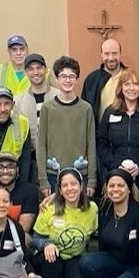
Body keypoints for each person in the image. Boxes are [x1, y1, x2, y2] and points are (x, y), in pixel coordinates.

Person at [31, 168, 98, 278]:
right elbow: (33, 239)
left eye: (73, 184)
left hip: (74, 257)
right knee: (50, 256)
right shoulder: (49, 208)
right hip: (50, 258)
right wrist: (46, 243)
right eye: (65, 185)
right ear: (60, 190)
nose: (70, 189)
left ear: (81, 186)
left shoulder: (92, 209)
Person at [96, 68, 139, 209]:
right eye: (127, 84)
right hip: (116, 177)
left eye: (135, 84)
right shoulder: (110, 112)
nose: (131, 88)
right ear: (121, 88)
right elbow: (101, 144)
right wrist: (115, 166)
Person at [36, 56, 98, 198]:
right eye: (63, 76)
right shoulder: (47, 108)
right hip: (53, 175)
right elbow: (41, 145)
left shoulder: (86, 108)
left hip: (80, 173)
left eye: (72, 76)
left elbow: (91, 145)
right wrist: (43, 180)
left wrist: (92, 180)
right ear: (57, 79)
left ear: (77, 79)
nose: (68, 80)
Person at [13, 53, 56, 147]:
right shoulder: (18, 102)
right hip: (30, 153)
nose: (35, 72)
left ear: (45, 70)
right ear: (25, 73)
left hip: (56, 151)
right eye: (31, 69)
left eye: (39, 68)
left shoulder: (58, 96)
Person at [81, 38, 126, 117]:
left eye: (115, 53)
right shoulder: (92, 79)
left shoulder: (131, 77)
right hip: (100, 125)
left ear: (120, 54)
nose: (111, 58)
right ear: (101, 54)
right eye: (107, 54)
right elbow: (84, 110)